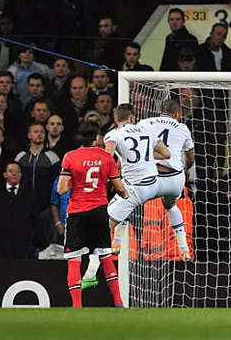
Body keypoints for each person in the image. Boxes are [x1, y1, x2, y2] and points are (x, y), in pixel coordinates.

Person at [57, 121, 129, 308]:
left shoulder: (70, 157)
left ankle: (77, 306)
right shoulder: (106, 157)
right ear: (97, 137)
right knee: (105, 257)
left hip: (77, 213)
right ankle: (119, 302)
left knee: (74, 260)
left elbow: (61, 189)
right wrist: (125, 194)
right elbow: (119, 188)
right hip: (99, 212)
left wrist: (76, 181)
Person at [103, 104, 170, 255]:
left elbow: (107, 156)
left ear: (116, 119)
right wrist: (145, 158)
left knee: (102, 226)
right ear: (132, 118)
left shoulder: (113, 134)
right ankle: (117, 243)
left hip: (135, 188)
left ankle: (91, 268)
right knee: (126, 202)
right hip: (153, 185)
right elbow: (166, 154)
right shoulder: (147, 131)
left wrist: (110, 177)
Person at [136, 99, 194, 261]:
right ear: (178, 114)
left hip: (148, 177)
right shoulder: (182, 128)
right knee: (171, 207)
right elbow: (190, 157)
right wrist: (186, 170)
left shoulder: (144, 123)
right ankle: (183, 249)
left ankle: (116, 244)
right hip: (173, 177)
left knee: (126, 204)